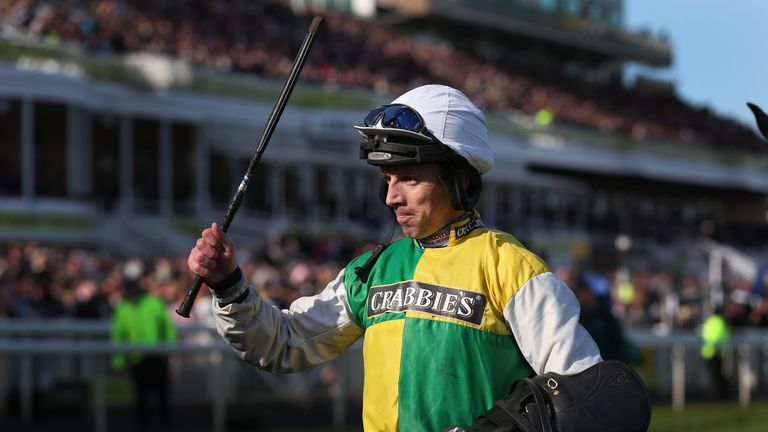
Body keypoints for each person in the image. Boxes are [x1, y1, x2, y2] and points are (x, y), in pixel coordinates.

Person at [187, 84, 603, 431]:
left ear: (461, 181)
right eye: (387, 179)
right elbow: (284, 342)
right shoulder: (371, 270)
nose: (391, 197)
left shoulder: (513, 268)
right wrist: (228, 284)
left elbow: (584, 394)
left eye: (409, 178)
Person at [111, 274, 178, 431]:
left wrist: (171, 348)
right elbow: (118, 335)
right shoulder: (123, 308)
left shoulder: (153, 303)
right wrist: (118, 360)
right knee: (141, 394)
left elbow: (168, 327)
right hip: (137, 358)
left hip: (157, 356)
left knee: (162, 393)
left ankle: (164, 423)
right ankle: (145, 424)